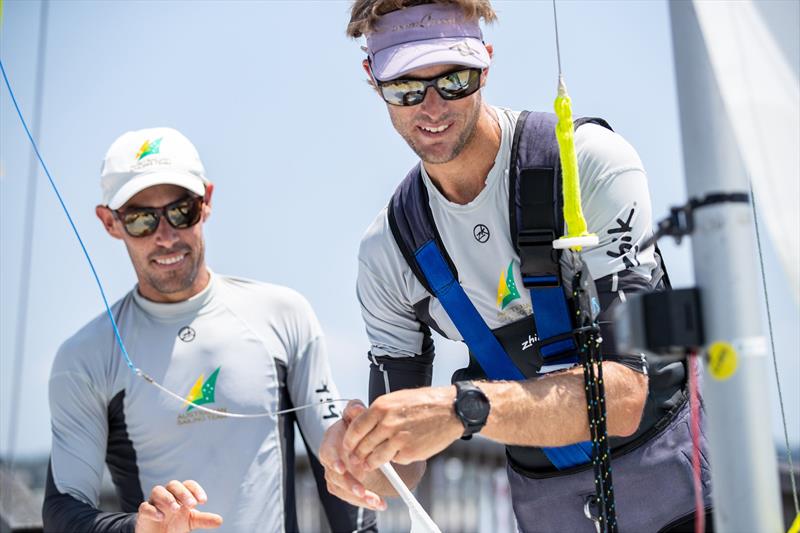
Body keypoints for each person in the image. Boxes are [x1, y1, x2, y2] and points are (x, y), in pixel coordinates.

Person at [319, 1, 712, 531]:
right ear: (372, 78)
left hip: (683, 495)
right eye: (406, 89)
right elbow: (400, 465)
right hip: (549, 511)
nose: (432, 108)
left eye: (454, 81)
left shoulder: (587, 161)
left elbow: (626, 396)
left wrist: (464, 409)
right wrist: (360, 456)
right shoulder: (387, 252)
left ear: (486, 62)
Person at [43, 127, 377, 533]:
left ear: (206, 203)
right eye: (142, 219)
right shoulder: (86, 357)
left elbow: (344, 480)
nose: (165, 237)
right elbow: (63, 513)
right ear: (110, 223)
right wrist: (138, 528)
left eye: (180, 211)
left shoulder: (284, 315)